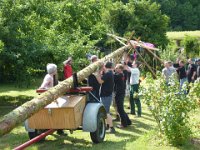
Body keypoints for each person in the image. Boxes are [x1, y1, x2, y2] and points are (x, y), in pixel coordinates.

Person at [95, 62, 115, 133]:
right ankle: (107, 126)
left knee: (107, 112)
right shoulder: (109, 73)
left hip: (106, 95)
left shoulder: (108, 74)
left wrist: (97, 73)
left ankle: (112, 128)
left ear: (104, 67)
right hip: (106, 94)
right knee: (105, 111)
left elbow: (100, 81)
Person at [114, 64, 132, 128]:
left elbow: (113, 76)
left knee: (120, 109)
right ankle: (128, 121)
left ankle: (123, 124)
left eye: (116, 68)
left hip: (119, 94)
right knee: (121, 109)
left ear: (120, 69)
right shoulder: (122, 74)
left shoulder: (119, 75)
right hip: (121, 93)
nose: (115, 69)